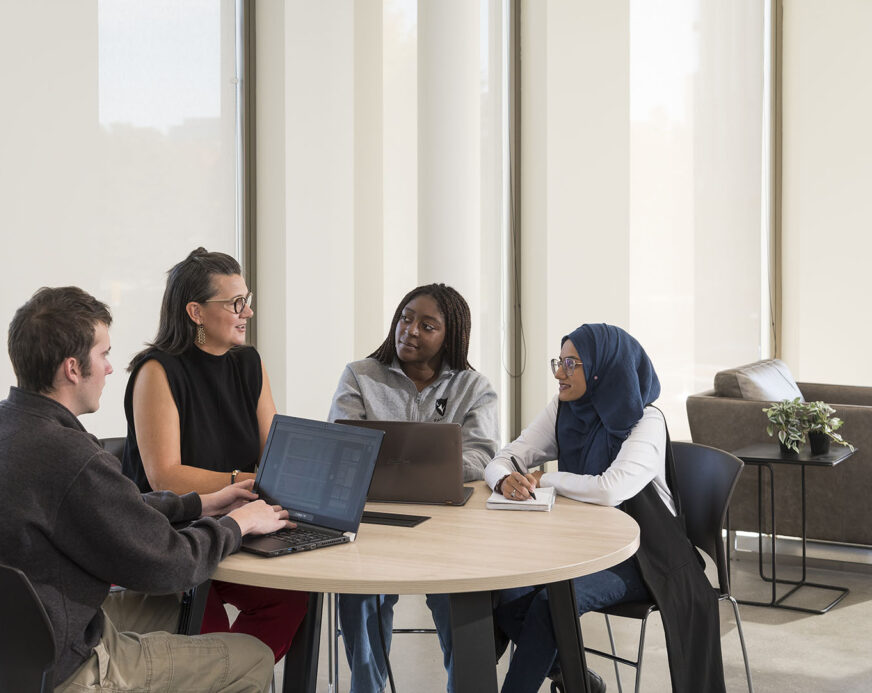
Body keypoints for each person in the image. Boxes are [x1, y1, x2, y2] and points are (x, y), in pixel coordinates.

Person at [0, 286, 291, 693]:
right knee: (252, 658)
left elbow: (112, 507)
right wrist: (238, 524)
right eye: (103, 355)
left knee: (182, 607)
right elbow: (170, 563)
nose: (108, 368)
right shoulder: (69, 454)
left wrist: (199, 503)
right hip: (64, 667)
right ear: (72, 368)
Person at [487, 323, 725, 693]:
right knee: (508, 595)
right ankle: (580, 682)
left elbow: (611, 489)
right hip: (583, 545)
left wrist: (545, 479)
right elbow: (508, 455)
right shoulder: (565, 408)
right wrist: (504, 479)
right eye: (559, 361)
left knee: (552, 604)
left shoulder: (647, 421)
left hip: (647, 556)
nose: (558, 373)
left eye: (572, 363)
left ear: (603, 369)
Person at [121, 247, 308, 661]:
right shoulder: (156, 371)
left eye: (248, 301)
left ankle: (237, 680)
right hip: (173, 538)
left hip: (237, 527)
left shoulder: (249, 363)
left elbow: (273, 452)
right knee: (210, 638)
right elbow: (164, 478)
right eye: (235, 303)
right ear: (196, 312)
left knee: (292, 599)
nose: (248, 312)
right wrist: (243, 482)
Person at [328, 283, 499, 693]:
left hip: (449, 526)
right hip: (374, 521)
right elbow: (340, 444)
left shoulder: (475, 387)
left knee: (460, 600)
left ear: (450, 336)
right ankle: (366, 688)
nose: (410, 330)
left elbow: (481, 457)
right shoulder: (360, 375)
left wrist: (414, 471)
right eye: (406, 318)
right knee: (358, 596)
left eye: (427, 325)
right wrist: (426, 468)